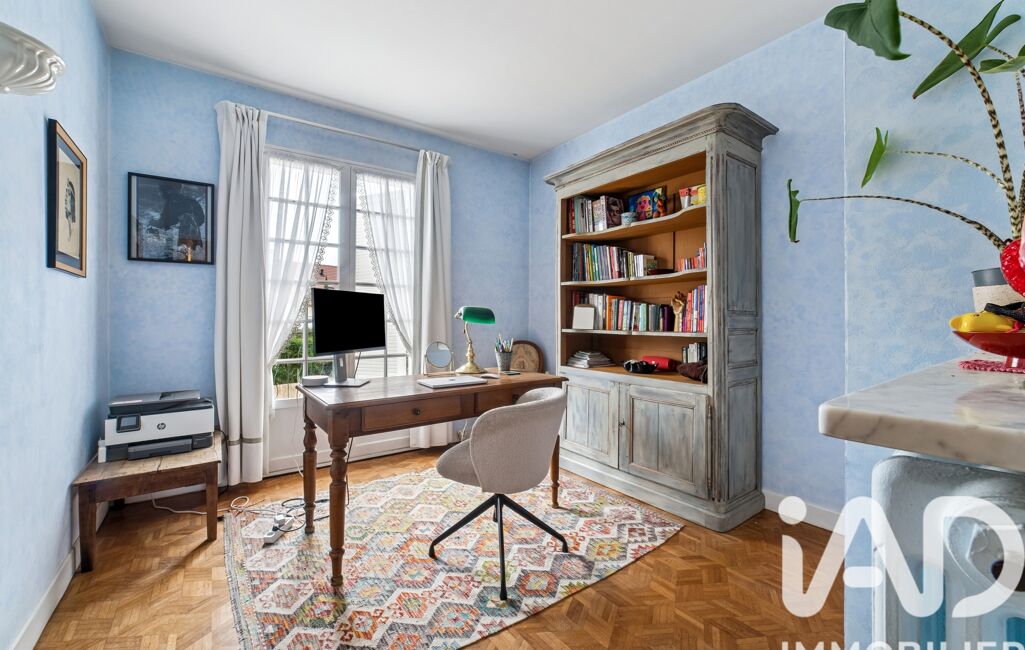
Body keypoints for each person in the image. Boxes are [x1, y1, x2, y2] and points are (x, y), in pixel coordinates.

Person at [153, 181, 206, 260]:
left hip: (186, 244)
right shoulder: (171, 204)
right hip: (183, 245)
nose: (160, 194)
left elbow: (165, 223)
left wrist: (188, 220)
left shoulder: (173, 204)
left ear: (169, 191)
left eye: (161, 192)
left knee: (185, 257)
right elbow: (165, 223)